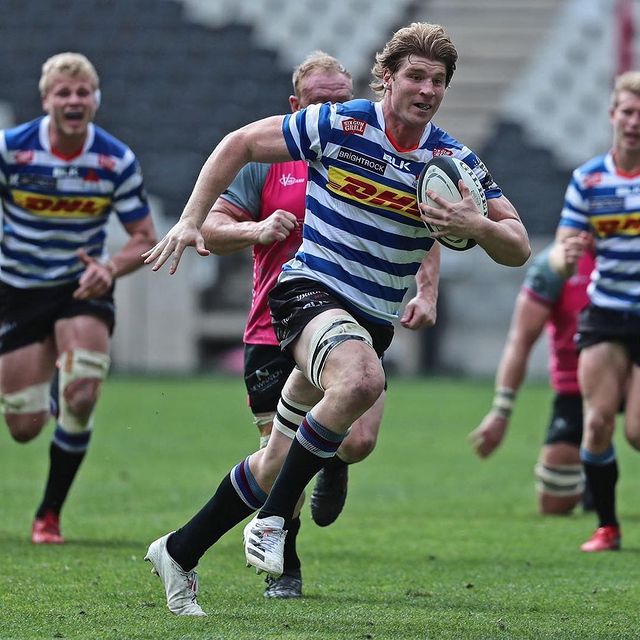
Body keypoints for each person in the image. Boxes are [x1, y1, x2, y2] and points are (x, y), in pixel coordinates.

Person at [143, 22, 530, 616]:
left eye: (438, 81)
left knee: (275, 459)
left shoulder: (453, 160)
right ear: (387, 79)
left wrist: (473, 226)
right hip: (310, 291)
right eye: (415, 77)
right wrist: (192, 219)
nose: (426, 90)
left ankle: (180, 549)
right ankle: (273, 522)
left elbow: (517, 244)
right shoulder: (339, 125)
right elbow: (240, 143)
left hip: (372, 317)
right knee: (361, 381)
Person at [202, 50, 440, 599]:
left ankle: (330, 456)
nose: (333, 108)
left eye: (341, 98)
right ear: (296, 105)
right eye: (319, 101)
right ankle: (285, 565)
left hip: (354, 314)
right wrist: (254, 230)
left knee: (357, 439)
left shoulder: (374, 148)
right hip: (275, 319)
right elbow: (212, 231)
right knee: (274, 453)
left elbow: (425, 224)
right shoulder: (269, 159)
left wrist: (426, 290)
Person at [0, 52, 157, 544]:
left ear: (95, 100)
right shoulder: (12, 150)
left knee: (84, 391)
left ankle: (49, 514)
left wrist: (109, 268)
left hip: (80, 288)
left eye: (82, 92)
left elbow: (144, 237)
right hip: (20, 290)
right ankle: (47, 390)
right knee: (23, 427)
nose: (73, 100)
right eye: (63, 93)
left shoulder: (115, 159)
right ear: (46, 100)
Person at [548, 70, 640, 552]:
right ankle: (607, 526)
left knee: (638, 430)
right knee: (598, 423)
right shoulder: (589, 178)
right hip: (605, 311)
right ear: (613, 115)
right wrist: (566, 255)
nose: (634, 122)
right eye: (628, 112)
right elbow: (565, 246)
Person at [468, 240, 595, 515]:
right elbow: (520, 341)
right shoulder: (554, 265)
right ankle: (593, 472)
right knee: (554, 503)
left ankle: (601, 465)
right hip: (577, 387)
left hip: (630, 377)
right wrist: (500, 412)